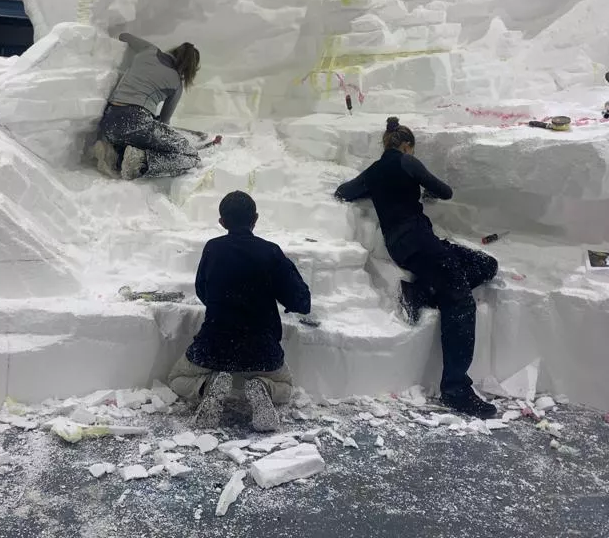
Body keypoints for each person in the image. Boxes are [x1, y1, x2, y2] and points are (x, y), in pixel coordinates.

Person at [334, 117, 499, 419]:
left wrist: (379, 192)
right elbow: (445, 191)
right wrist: (423, 189)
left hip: (404, 248)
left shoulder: (373, 172)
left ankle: (420, 291)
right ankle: (455, 389)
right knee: (460, 299)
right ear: (407, 146)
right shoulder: (408, 163)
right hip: (420, 242)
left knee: (486, 265)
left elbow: (344, 191)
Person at [168, 191, 312, 431]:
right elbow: (301, 302)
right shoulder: (271, 252)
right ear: (255, 219)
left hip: (213, 348)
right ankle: (264, 388)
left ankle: (208, 386)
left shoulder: (212, 249)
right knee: (285, 388)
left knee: (176, 378)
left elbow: (202, 291)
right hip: (263, 351)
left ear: (222, 222)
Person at [94, 33, 201, 180]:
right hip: (135, 120)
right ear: (190, 69)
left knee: (135, 136)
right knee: (191, 155)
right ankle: (141, 162)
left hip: (109, 120)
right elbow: (164, 121)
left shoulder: (149, 50)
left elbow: (124, 36)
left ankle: (112, 154)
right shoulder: (176, 84)